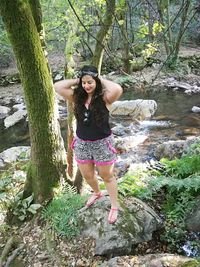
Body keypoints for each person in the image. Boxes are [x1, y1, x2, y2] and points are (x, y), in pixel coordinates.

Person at [54, 65, 123, 224]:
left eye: (90, 82)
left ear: (96, 81)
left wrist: (99, 78)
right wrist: (79, 79)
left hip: (102, 143)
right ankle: (97, 193)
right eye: (84, 83)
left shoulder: (105, 98)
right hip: (82, 143)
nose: (86, 86)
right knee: (87, 175)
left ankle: (114, 205)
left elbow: (118, 88)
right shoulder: (76, 97)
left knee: (107, 176)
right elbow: (57, 86)